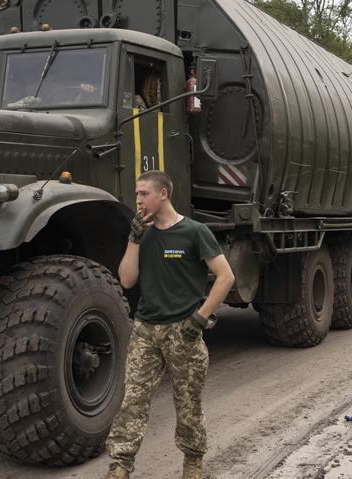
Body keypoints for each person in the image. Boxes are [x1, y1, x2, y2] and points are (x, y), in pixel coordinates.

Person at [107, 170, 235, 479]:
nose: (138, 200)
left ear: (163, 194)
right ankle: (120, 466)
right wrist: (134, 238)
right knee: (133, 402)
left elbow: (226, 276)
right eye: (136, 194)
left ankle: (193, 461)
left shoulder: (194, 232)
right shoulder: (142, 234)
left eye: (143, 193)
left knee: (188, 404)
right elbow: (126, 279)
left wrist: (200, 317)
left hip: (183, 331)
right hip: (146, 330)